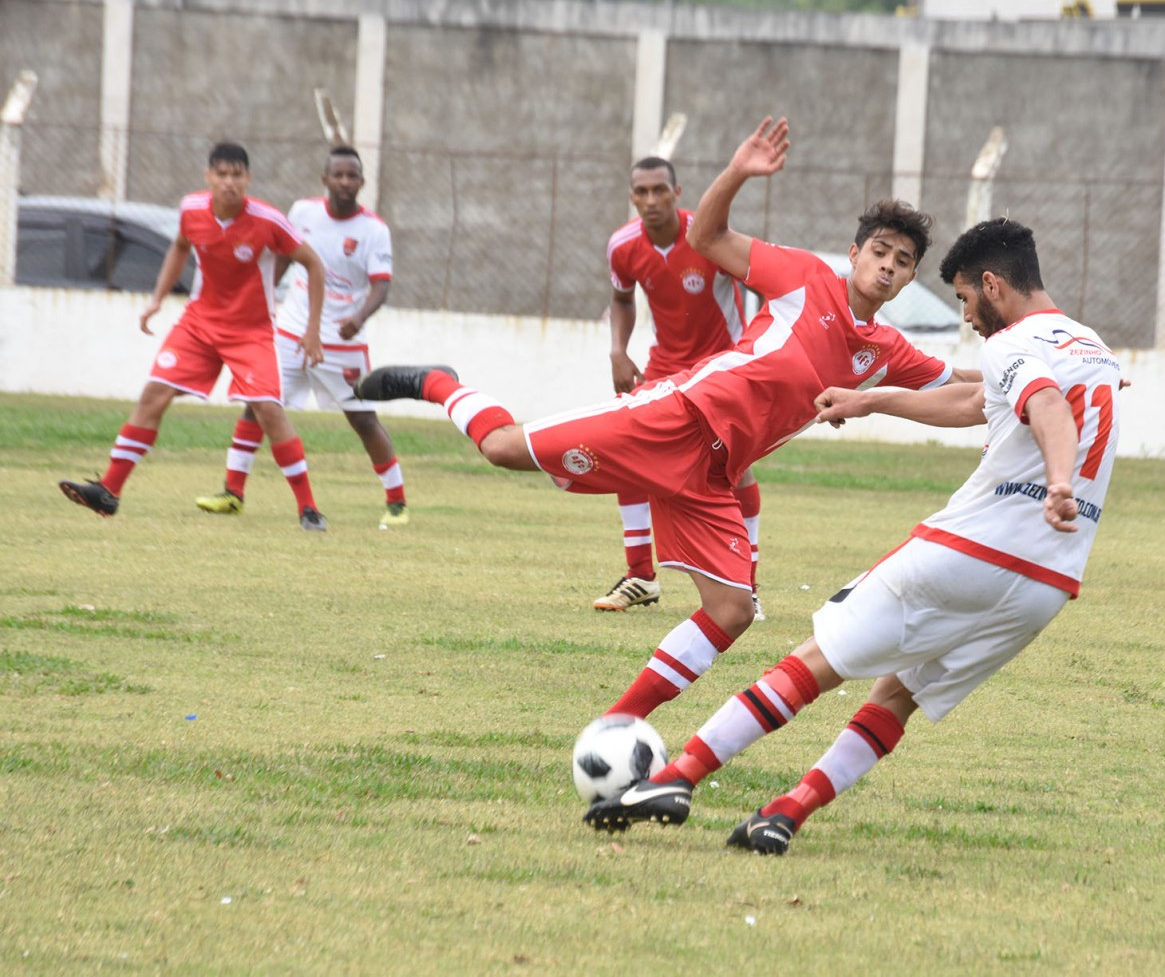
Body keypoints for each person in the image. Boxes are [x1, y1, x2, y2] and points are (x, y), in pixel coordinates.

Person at [354, 116, 975, 721]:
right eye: (879, 250)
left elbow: (962, 394)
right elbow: (705, 239)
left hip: (713, 475)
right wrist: (736, 172)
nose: (888, 264)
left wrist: (1029, 375)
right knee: (503, 449)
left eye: (902, 259)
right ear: (854, 253)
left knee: (732, 611)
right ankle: (438, 383)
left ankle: (617, 723)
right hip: (676, 416)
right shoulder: (804, 277)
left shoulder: (887, 352)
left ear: (911, 276)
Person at [583, 217, 1121, 854]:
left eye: (965, 300)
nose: (968, 317)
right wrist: (873, 401)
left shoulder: (1010, 345)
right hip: (1047, 584)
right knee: (898, 695)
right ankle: (785, 812)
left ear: (993, 285)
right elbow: (978, 406)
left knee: (815, 661)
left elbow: (1046, 407)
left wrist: (1058, 479)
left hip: (970, 552)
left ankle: (674, 780)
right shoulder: (1093, 349)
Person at [59, 142, 332, 531]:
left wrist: (312, 332)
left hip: (250, 330)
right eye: (221, 174)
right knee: (154, 394)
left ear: (248, 179)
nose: (229, 182)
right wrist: (156, 300)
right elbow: (180, 247)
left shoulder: (267, 220)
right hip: (199, 324)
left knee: (269, 409)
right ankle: (109, 490)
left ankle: (308, 508)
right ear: (208, 177)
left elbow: (314, 265)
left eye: (237, 175)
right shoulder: (191, 210)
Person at [194, 146, 410, 529]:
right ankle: (233, 492)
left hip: (341, 341)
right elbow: (281, 256)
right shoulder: (302, 212)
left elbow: (381, 286)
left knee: (362, 420)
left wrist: (358, 318)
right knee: (259, 404)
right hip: (289, 332)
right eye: (338, 175)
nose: (345, 182)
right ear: (325, 179)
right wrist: (259, 299)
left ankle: (396, 502)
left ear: (361, 182)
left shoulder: (374, 230)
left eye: (352, 176)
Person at [597, 156, 764, 616]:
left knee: (735, 471)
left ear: (678, 193)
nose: (651, 200)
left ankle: (748, 584)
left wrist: (756, 354)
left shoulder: (707, 237)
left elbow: (764, 284)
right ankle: (639, 577)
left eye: (659, 191)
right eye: (641, 192)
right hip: (665, 366)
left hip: (723, 369)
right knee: (626, 452)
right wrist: (617, 349)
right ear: (632, 197)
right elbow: (621, 297)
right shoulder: (623, 246)